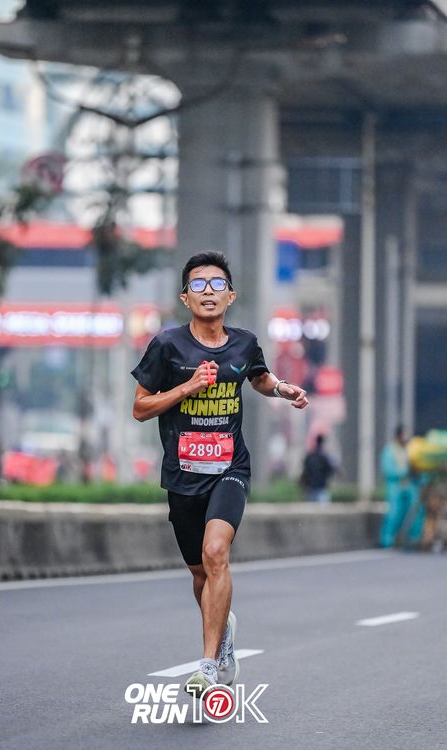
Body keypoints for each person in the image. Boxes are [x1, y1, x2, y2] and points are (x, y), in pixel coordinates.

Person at [131, 251, 308, 697]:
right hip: (183, 476)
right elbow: (140, 407)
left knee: (216, 553)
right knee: (200, 575)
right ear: (185, 298)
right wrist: (187, 387)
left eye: (216, 284)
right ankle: (224, 631)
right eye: (198, 285)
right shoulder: (167, 346)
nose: (207, 292)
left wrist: (281, 388)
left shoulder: (244, 343)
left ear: (231, 295)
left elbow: (258, 376)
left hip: (231, 468)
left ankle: (209, 665)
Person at [380, 425, 424, 548]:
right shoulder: (389, 451)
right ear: (399, 435)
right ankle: (387, 540)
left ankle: (413, 540)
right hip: (395, 488)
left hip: (410, 487)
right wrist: (405, 472)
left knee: (415, 512)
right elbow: (388, 470)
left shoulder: (409, 450)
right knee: (394, 514)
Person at [300, 434, 335, 503]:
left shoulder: (310, 456)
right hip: (321, 487)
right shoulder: (325, 457)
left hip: (310, 487)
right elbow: (330, 470)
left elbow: (305, 470)